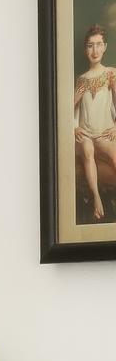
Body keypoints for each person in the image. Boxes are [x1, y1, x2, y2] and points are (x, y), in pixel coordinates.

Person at [75, 24, 116, 220]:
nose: (95, 50)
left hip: (105, 132)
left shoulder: (110, 73)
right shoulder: (81, 79)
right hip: (86, 134)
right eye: (90, 45)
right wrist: (74, 128)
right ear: (85, 49)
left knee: (115, 157)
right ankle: (97, 198)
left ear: (105, 46)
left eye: (99, 45)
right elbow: (72, 111)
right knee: (87, 151)